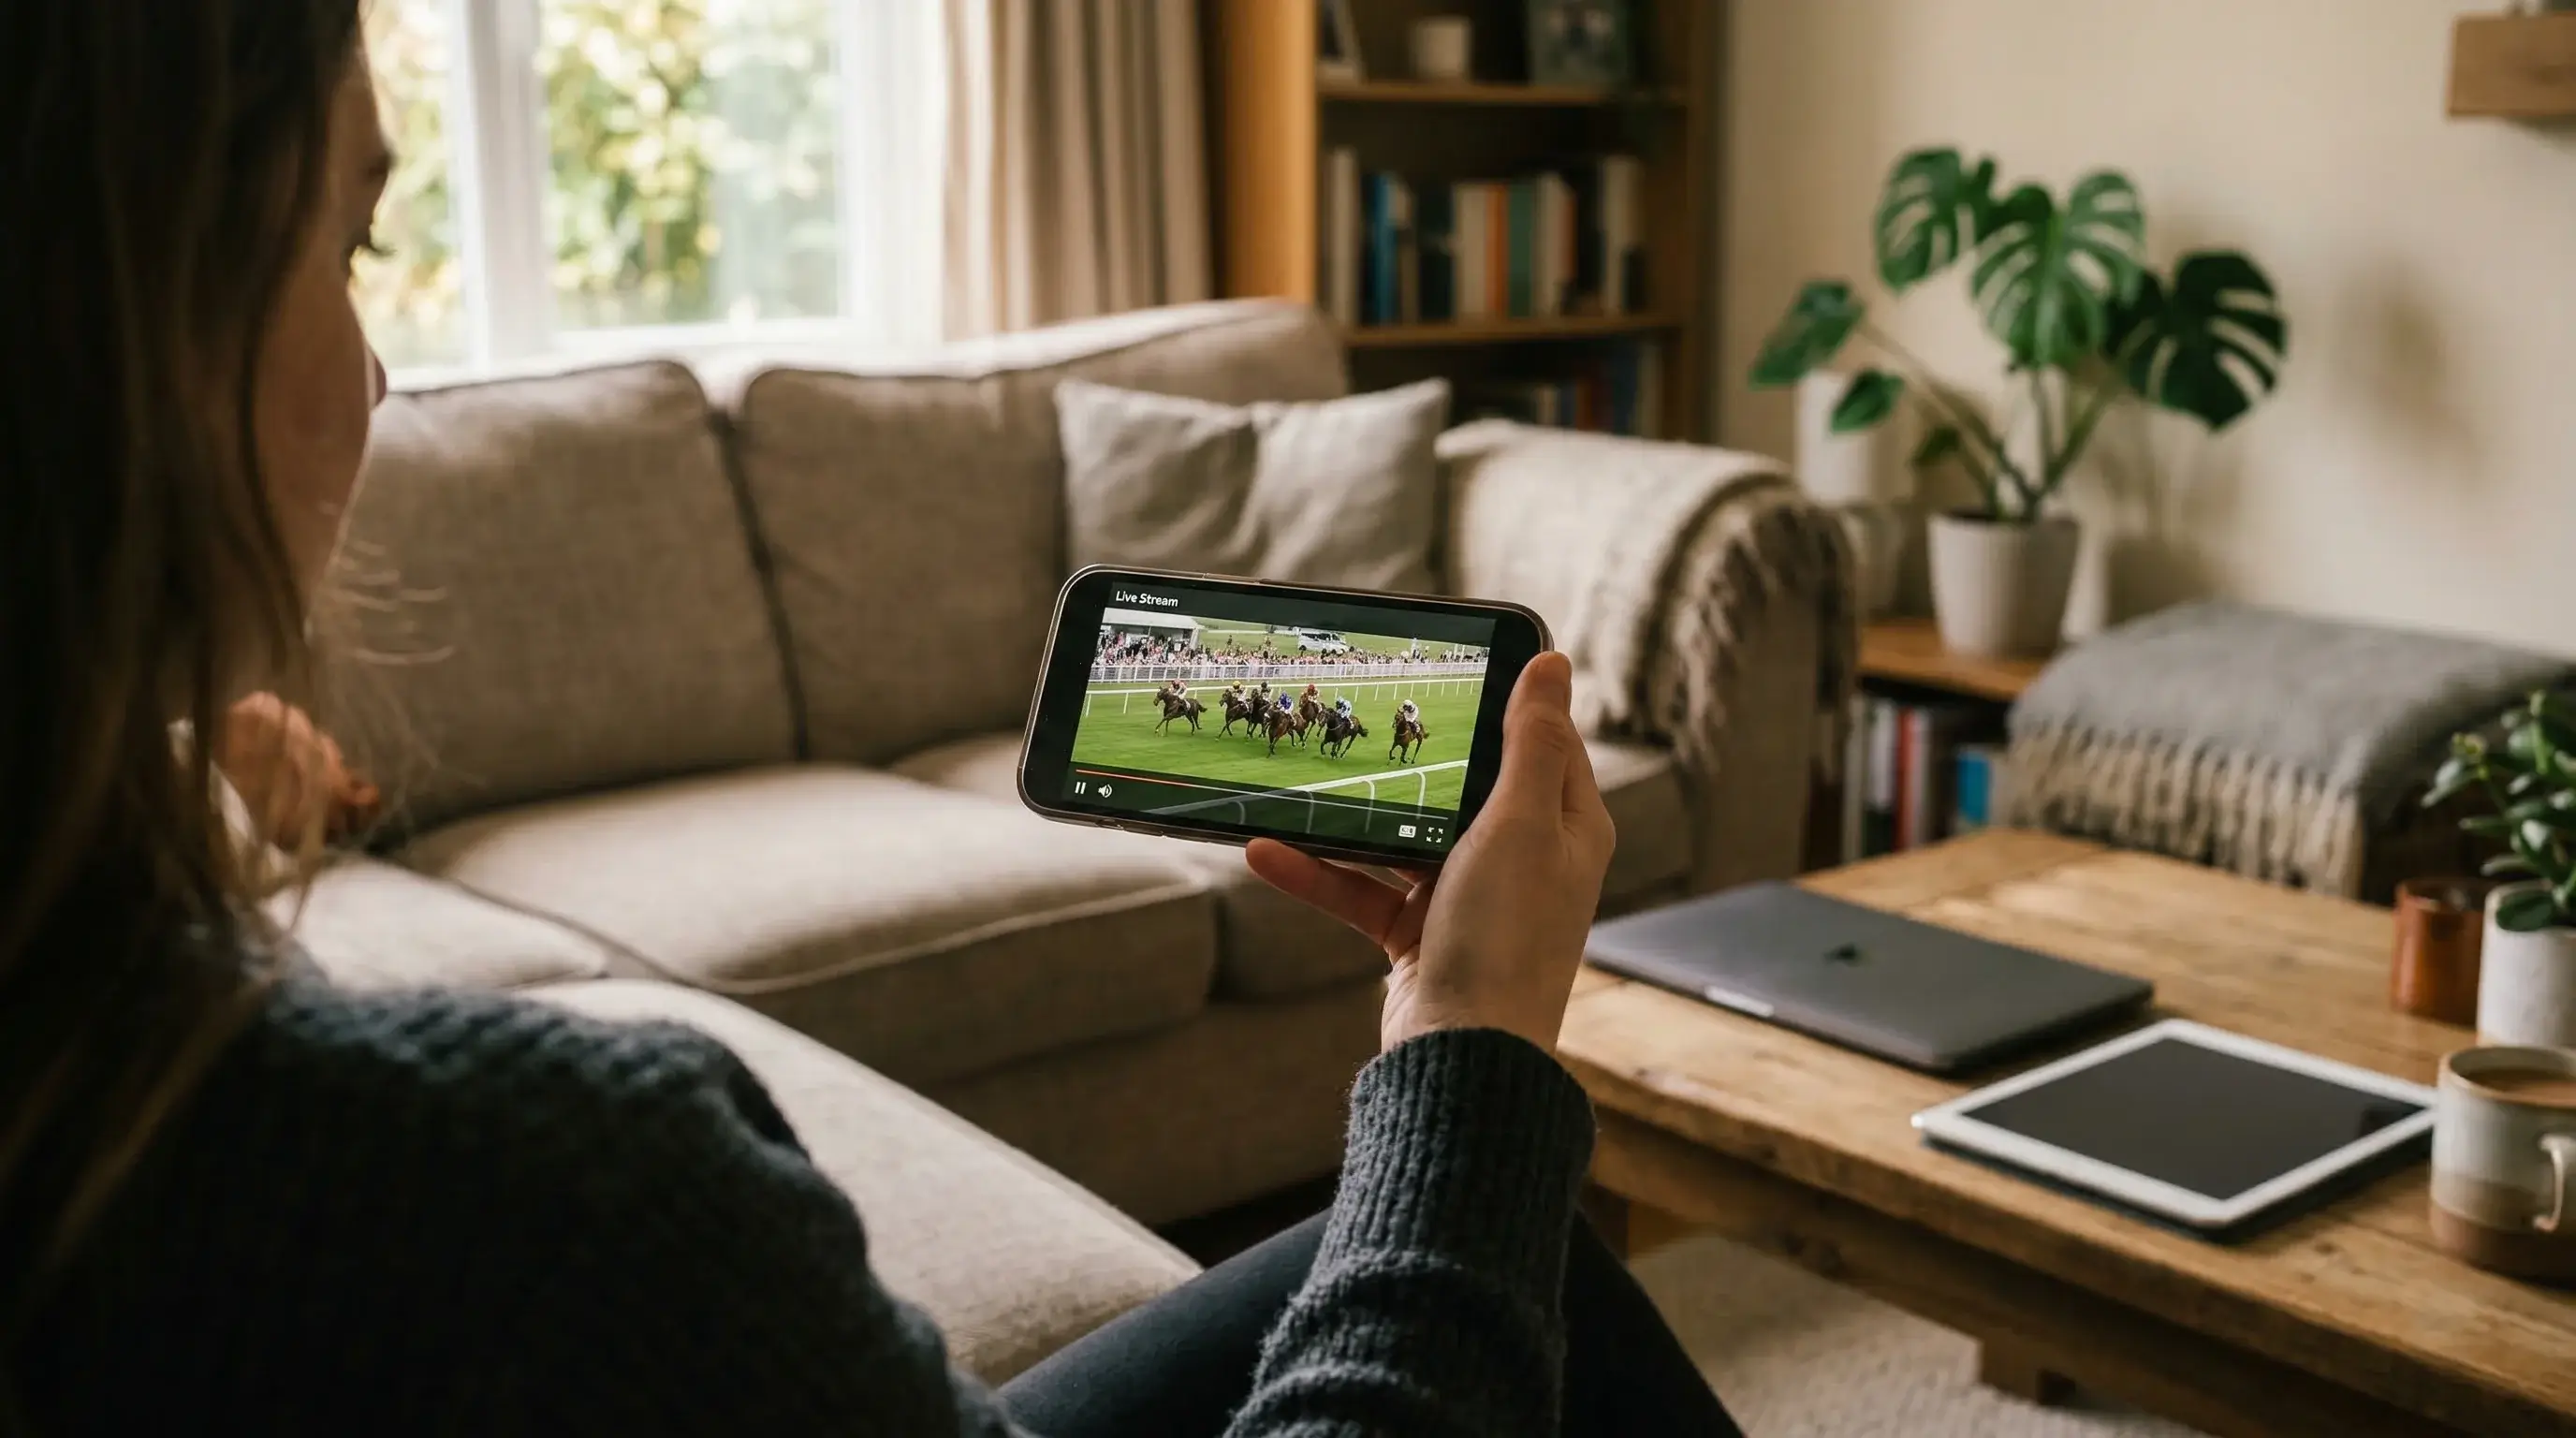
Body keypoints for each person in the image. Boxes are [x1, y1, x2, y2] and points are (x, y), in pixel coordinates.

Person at [0, 7, 1744, 1431]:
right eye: (350, 238)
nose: (378, 369)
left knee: (1555, 1282)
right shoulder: (549, 1188)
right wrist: (1470, 1057)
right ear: (131, 316)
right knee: (1511, 1250)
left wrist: (168, 740)